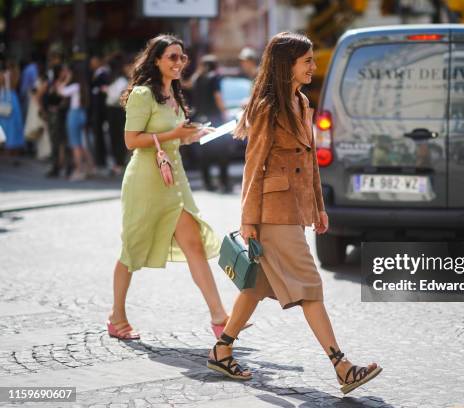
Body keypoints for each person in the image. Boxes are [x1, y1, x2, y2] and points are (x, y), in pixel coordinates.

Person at [206, 32, 382, 395]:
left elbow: (310, 163)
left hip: (293, 211)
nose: (313, 67)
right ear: (288, 65)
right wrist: (248, 220)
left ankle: (222, 349)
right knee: (311, 287)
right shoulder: (268, 108)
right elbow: (254, 167)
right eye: (307, 62)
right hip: (272, 213)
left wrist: (318, 207)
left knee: (255, 286)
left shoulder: (300, 102)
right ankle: (342, 365)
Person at [108, 34, 244, 340]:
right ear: (156, 60)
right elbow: (132, 141)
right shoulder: (143, 94)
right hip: (146, 179)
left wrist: (191, 135)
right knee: (132, 249)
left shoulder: (174, 93)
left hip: (174, 177)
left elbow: (172, 134)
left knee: (193, 244)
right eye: (172, 57)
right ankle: (116, 317)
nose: (179, 62)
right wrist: (174, 134)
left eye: (182, 57)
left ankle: (219, 317)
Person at [188, 55, 230, 192]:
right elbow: (217, 96)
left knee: (205, 153)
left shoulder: (197, 79)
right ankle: (224, 183)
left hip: (201, 119)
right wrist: (225, 113)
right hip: (216, 118)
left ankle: (208, 183)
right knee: (222, 152)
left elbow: (188, 87)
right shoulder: (214, 77)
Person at [56, 64, 94, 181]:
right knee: (82, 144)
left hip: (74, 114)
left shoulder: (75, 86)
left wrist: (65, 79)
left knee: (75, 144)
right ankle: (90, 167)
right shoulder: (83, 87)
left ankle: (79, 170)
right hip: (82, 113)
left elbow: (60, 90)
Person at [105, 54, 130, 176]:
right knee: (115, 137)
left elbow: (115, 96)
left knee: (118, 137)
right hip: (114, 109)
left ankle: (119, 163)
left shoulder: (121, 80)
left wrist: (108, 92)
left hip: (118, 109)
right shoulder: (118, 80)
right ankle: (118, 163)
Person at [89, 54, 110, 170]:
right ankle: (99, 158)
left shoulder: (104, 73)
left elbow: (104, 89)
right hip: (96, 107)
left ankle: (102, 159)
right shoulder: (95, 73)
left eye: (94, 62)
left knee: (100, 134)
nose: (92, 64)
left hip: (101, 108)